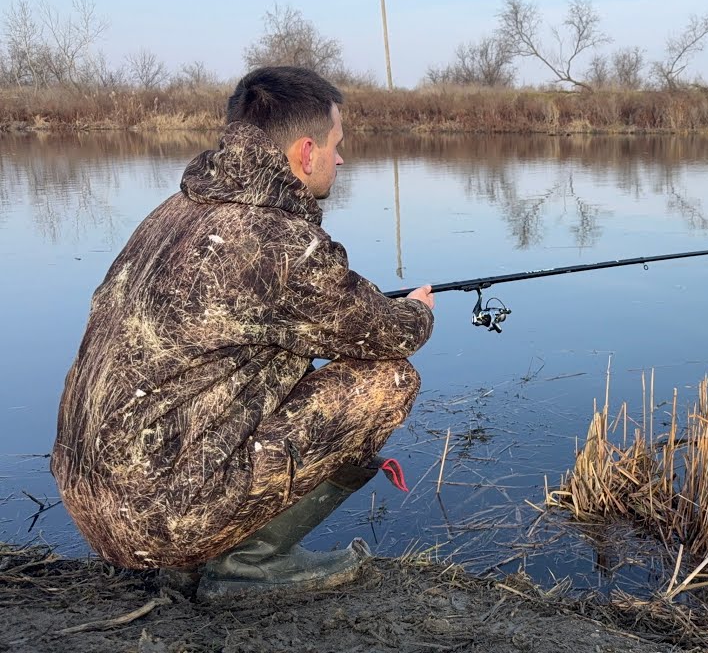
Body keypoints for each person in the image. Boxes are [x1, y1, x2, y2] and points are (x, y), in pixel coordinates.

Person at [51, 66, 436, 601]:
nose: (341, 159)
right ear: (306, 153)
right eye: (337, 144)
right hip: (158, 520)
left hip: (94, 502)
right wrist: (418, 309)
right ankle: (247, 562)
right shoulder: (277, 241)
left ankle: (198, 554)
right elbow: (392, 334)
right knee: (387, 380)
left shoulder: (174, 212)